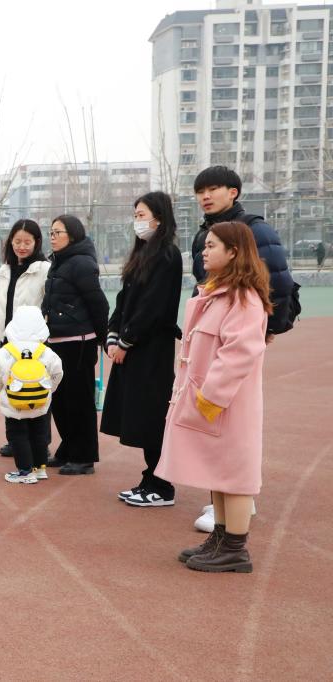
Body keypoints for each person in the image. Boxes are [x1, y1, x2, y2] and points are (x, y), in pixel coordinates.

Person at [155, 221, 270, 573]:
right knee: (219, 473)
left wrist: (210, 397)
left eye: (212, 246)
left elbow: (239, 353)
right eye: (205, 246)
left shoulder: (243, 298)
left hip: (227, 405)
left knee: (234, 476)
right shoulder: (216, 294)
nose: (203, 252)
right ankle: (221, 538)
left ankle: (235, 547)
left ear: (234, 251)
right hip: (211, 402)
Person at [189, 165, 294, 532]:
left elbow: (279, 282)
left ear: (233, 192)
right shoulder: (205, 233)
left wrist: (267, 328)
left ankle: (234, 513)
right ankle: (225, 512)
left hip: (237, 333)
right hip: (214, 331)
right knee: (215, 425)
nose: (205, 196)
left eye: (213, 188)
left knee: (232, 423)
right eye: (200, 190)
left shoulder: (256, 230)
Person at [101, 192, 184, 508]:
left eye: (142, 215)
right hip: (135, 348)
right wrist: (112, 335)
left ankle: (162, 486)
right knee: (139, 414)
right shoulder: (142, 255)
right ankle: (151, 478)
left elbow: (153, 307)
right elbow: (124, 300)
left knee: (152, 415)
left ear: (159, 219)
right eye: (135, 215)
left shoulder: (167, 256)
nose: (137, 221)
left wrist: (126, 341)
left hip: (151, 350)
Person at [41, 215, 109, 475]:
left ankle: (84, 456)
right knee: (60, 400)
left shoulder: (81, 263)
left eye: (58, 232)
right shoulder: (58, 261)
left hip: (78, 343)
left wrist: (102, 337)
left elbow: (98, 303)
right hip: (56, 341)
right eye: (51, 232)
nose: (53, 237)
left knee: (79, 401)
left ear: (73, 235)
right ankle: (69, 448)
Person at [0, 219, 51, 459]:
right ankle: (15, 440)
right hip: (8, 340)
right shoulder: (5, 270)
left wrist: (40, 330)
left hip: (33, 343)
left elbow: (47, 303)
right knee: (11, 387)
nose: (21, 246)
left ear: (37, 242)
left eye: (27, 242)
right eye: (17, 241)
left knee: (35, 388)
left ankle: (40, 443)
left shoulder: (44, 269)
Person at [0, 306, 63, 484]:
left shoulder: (6, 352)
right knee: (39, 434)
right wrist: (50, 389)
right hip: (40, 403)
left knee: (17, 435)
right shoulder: (45, 352)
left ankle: (25, 471)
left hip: (14, 404)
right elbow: (57, 372)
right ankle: (39, 468)